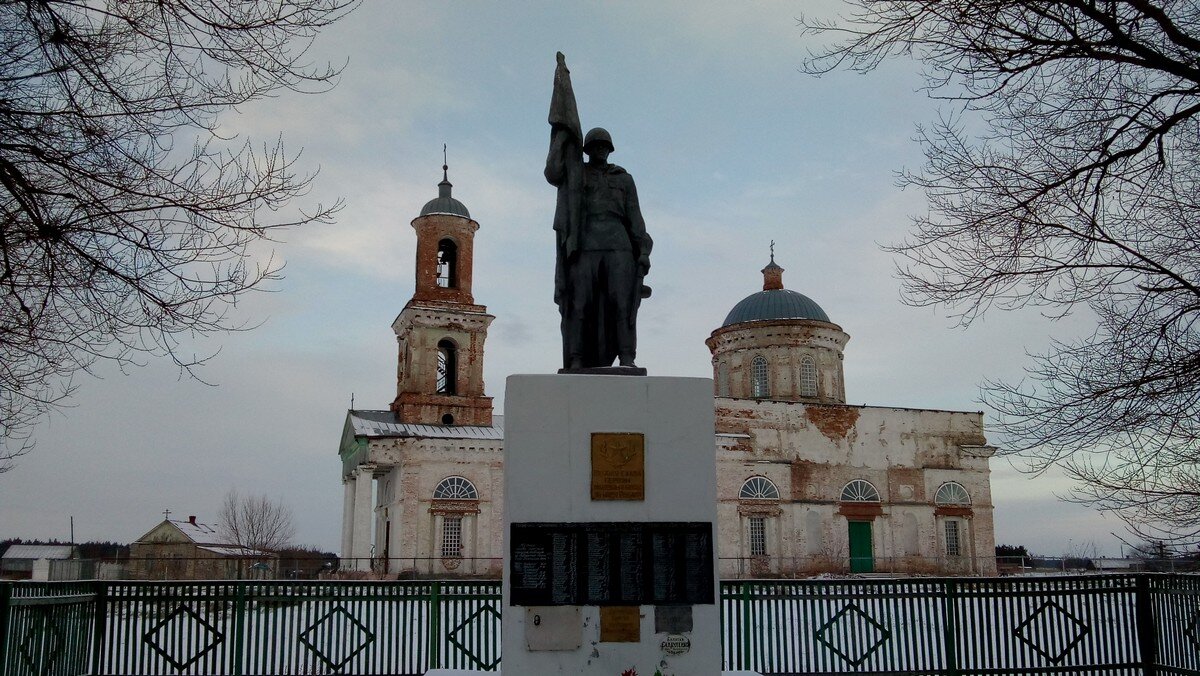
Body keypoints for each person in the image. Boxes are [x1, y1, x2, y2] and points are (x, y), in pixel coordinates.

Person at [546, 126, 652, 369]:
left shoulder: (623, 179)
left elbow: (635, 218)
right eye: (596, 146)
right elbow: (552, 173)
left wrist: (643, 251)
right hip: (585, 247)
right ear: (588, 149)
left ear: (610, 150)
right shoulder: (575, 173)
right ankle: (576, 358)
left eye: (604, 146)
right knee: (580, 304)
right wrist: (561, 136)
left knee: (622, 306)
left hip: (619, 247)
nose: (601, 150)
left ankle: (627, 357)